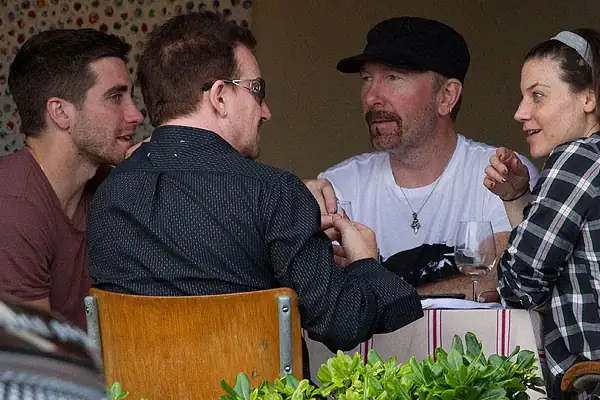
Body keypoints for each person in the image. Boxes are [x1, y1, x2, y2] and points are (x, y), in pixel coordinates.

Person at [87, 10, 423, 363]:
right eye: (257, 91)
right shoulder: (273, 192)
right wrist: (365, 262)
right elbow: (343, 324)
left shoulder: (109, 194)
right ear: (219, 97)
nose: (266, 112)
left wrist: (298, 241)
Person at [304, 17, 539, 301]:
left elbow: (499, 280)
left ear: (447, 96)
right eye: (367, 79)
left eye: (393, 78)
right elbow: (320, 295)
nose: (371, 97)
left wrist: (385, 300)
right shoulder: (337, 186)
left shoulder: (500, 175)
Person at [0, 29, 144, 329]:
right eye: (115, 97)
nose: (136, 115)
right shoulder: (12, 206)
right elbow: (37, 361)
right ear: (61, 113)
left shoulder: (107, 186)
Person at [484, 29, 600, 399]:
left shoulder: (579, 158)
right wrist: (519, 198)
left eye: (538, 95)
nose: (520, 112)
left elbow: (520, 287)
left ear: (588, 97)